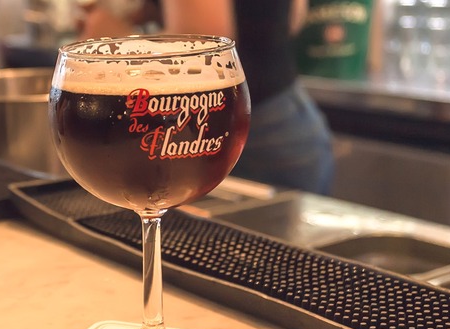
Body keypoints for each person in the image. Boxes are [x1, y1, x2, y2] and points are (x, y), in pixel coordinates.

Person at [78, 0, 335, 195]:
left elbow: (202, 44)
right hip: (291, 113)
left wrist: (117, 35)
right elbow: (293, 19)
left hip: (236, 129)